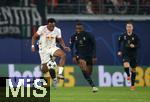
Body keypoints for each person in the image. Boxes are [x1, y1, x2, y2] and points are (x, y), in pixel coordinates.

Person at [31, 18, 70, 87]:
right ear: (47, 25)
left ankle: (59, 73)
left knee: (63, 55)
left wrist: (64, 47)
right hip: (43, 50)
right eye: (50, 26)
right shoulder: (42, 28)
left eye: (53, 26)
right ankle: (50, 73)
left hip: (52, 47)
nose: (52, 27)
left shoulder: (57, 30)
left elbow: (60, 40)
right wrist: (33, 46)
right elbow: (34, 37)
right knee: (45, 70)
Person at [69, 22, 98, 92]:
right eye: (77, 28)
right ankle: (93, 86)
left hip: (89, 55)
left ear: (83, 28)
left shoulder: (88, 35)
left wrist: (94, 56)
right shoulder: (73, 36)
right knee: (83, 66)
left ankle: (89, 80)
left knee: (89, 72)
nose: (78, 30)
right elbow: (71, 47)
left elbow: (94, 45)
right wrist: (73, 56)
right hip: (79, 55)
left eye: (80, 28)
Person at [117, 22, 140, 90]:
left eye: (130, 27)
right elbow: (119, 42)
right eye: (128, 27)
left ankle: (132, 85)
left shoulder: (135, 36)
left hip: (133, 54)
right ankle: (128, 75)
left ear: (132, 28)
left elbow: (139, 45)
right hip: (125, 53)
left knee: (133, 69)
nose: (129, 28)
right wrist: (119, 50)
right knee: (126, 64)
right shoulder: (123, 35)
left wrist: (134, 46)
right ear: (126, 28)